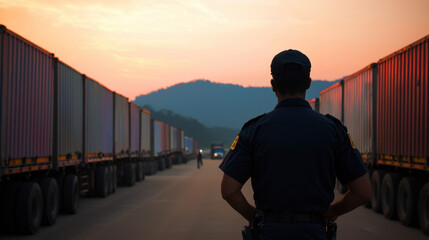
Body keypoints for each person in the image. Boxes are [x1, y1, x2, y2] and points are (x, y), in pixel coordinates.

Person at [219, 49, 372, 240]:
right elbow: (363, 191)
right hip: (314, 232)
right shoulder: (333, 130)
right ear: (308, 83)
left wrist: (254, 216)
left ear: (273, 85)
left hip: (269, 232)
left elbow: (228, 190)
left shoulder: (254, 130)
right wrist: (332, 212)